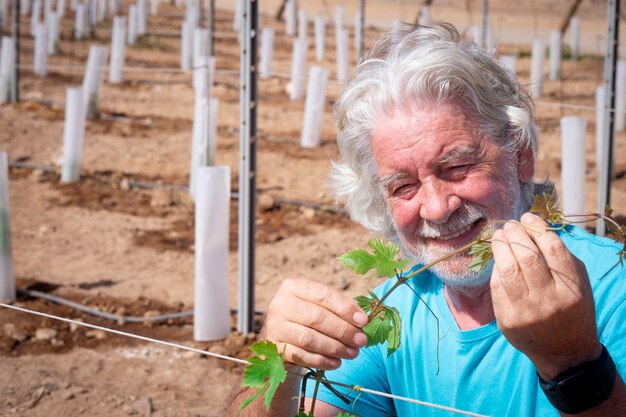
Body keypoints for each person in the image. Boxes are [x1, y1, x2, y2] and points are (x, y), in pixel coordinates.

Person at [229, 22, 626, 416]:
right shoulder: (391, 317)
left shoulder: (612, 290)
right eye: (404, 187)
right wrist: (275, 369)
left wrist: (573, 362)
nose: (437, 208)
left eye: (457, 167)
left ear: (520, 154)